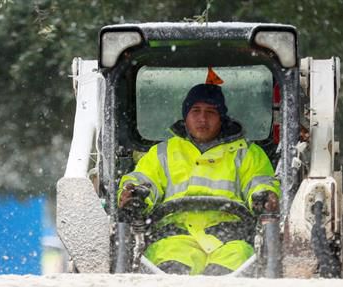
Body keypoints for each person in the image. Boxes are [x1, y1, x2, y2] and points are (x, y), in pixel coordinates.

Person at [118, 73, 281, 275]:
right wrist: (133, 195)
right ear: (185, 115)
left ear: (222, 118)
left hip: (230, 239)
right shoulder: (163, 152)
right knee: (166, 276)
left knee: (235, 271)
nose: (202, 118)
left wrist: (265, 196)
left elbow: (260, 182)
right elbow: (143, 181)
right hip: (174, 238)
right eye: (196, 111)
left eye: (211, 112)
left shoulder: (247, 153)